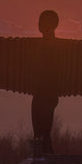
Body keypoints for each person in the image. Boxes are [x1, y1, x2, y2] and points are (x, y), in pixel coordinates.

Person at [31, 9, 60, 153]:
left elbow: (48, 70)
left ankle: (46, 161)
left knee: (43, 135)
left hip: (47, 94)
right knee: (38, 135)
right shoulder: (42, 44)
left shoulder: (53, 46)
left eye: (41, 22)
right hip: (40, 93)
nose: (38, 24)